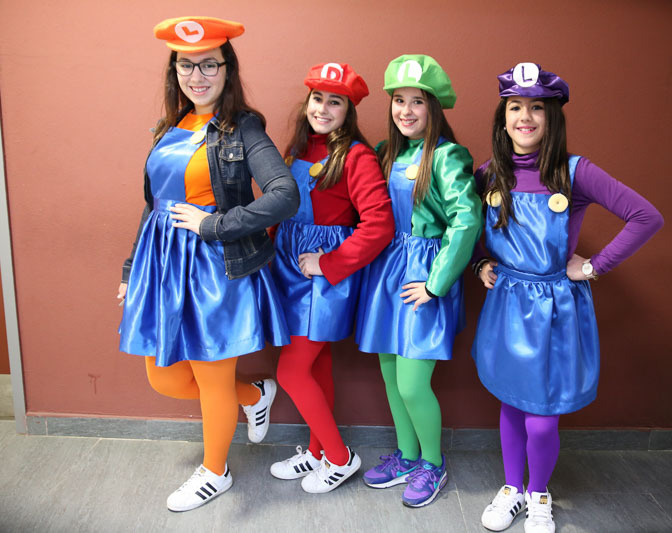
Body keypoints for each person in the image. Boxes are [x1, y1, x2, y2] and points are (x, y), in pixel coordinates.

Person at [117, 16, 298, 512]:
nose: (197, 76)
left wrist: (215, 225)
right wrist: (132, 270)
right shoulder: (170, 126)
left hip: (214, 269)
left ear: (227, 69)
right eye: (186, 66)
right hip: (162, 265)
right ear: (174, 71)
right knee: (165, 377)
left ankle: (215, 472)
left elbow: (284, 195)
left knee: (211, 378)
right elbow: (153, 206)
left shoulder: (244, 127)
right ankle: (253, 396)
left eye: (209, 65)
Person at [472, 63, 664, 532]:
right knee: (512, 402)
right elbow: (469, 231)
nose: (525, 117)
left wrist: (594, 266)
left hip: (554, 310)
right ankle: (512, 488)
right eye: (515, 107)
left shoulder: (575, 171)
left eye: (537, 108)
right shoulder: (487, 174)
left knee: (542, 417)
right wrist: (480, 264)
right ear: (502, 118)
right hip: (507, 305)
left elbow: (646, 216)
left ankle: (539, 492)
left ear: (552, 117)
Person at [355, 54, 482, 508]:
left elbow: (466, 220)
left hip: (423, 277)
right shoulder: (387, 153)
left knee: (412, 383)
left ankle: (433, 463)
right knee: (391, 376)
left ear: (434, 108)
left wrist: (435, 284)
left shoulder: (446, 156)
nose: (405, 111)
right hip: (387, 272)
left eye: (417, 102)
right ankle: (408, 457)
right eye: (398, 100)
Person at [268, 62, 394, 493]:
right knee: (316, 366)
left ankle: (340, 458)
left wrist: (330, 263)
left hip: (322, 280)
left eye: (334, 102)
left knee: (291, 372)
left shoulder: (357, 156)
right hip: (288, 269)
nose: (323, 108)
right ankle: (317, 451)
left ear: (348, 110)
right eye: (317, 98)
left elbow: (379, 224)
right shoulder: (296, 149)